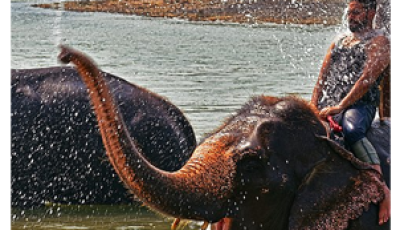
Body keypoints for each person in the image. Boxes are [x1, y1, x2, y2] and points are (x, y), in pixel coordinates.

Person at [310, 0, 390, 225]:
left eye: (356, 12)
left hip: (358, 107)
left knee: (352, 130)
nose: (351, 17)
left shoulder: (379, 42)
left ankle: (382, 189)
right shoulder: (339, 42)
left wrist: (341, 106)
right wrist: (313, 106)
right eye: (349, 12)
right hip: (332, 104)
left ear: (371, 12)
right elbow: (321, 79)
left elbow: (366, 80)